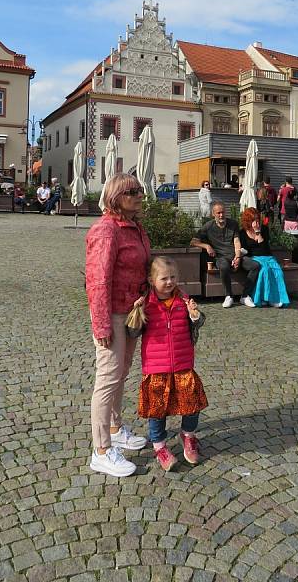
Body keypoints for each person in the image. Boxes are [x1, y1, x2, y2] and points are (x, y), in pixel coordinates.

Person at [85, 172, 149, 477]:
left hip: (132, 311)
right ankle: (101, 450)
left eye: (139, 190)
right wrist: (101, 326)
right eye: (132, 191)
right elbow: (98, 281)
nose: (139, 195)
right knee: (108, 377)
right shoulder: (106, 230)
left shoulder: (134, 228)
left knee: (122, 373)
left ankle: (114, 426)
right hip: (112, 313)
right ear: (116, 198)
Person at [131, 256, 208, 471]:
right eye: (164, 278)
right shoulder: (146, 303)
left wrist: (195, 316)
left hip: (183, 363)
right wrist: (137, 312)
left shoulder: (183, 300)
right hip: (156, 367)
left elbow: (197, 324)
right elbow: (132, 332)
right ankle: (160, 447)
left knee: (192, 403)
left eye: (173, 277)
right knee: (158, 410)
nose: (169, 281)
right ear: (151, 279)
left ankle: (188, 435)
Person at [191, 201, 249, 308]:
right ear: (213, 214)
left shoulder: (233, 224)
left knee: (255, 266)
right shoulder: (208, 226)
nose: (221, 215)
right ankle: (229, 296)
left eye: (223, 212)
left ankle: (245, 295)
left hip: (235, 255)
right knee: (223, 266)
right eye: (218, 213)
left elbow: (237, 242)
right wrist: (207, 246)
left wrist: (237, 257)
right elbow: (193, 242)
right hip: (220, 257)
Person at [239, 208, 289, 307]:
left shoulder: (264, 229)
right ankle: (264, 298)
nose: (256, 222)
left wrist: (258, 232)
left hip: (267, 256)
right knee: (264, 270)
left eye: (257, 219)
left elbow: (264, 248)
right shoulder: (243, 233)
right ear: (248, 221)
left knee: (277, 271)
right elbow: (245, 251)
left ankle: (274, 298)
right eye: (253, 220)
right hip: (253, 257)